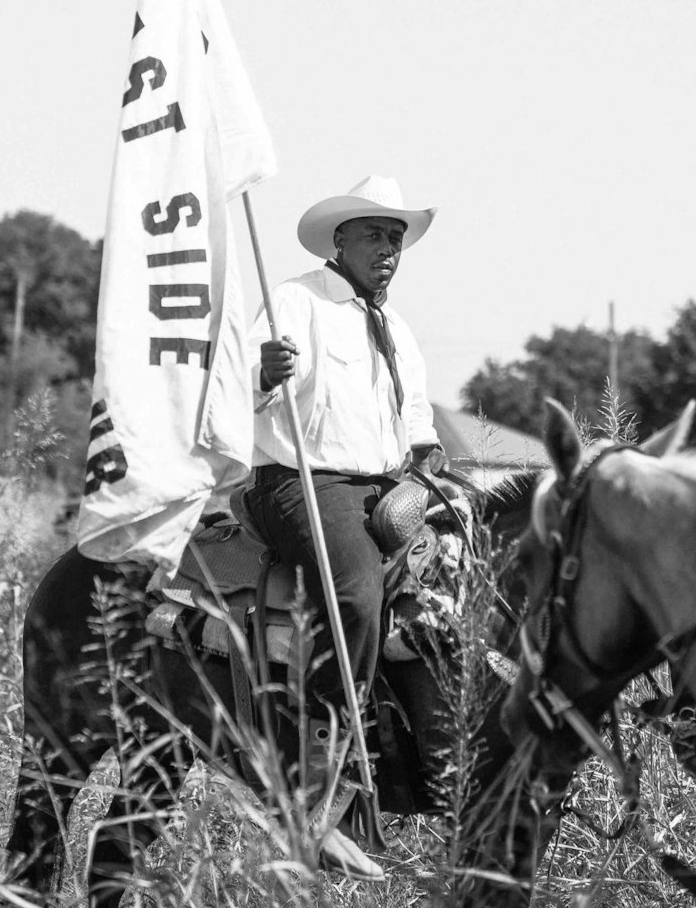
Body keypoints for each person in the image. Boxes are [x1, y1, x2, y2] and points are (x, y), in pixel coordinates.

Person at [242, 174, 446, 879]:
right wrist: (263, 374)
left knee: (455, 595)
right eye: (373, 234)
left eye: (395, 237)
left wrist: (430, 463)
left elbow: (416, 421)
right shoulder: (296, 297)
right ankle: (320, 789)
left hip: (386, 488)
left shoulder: (398, 326)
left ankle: (432, 771)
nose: (387, 248)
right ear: (341, 241)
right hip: (300, 482)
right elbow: (237, 386)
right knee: (354, 593)